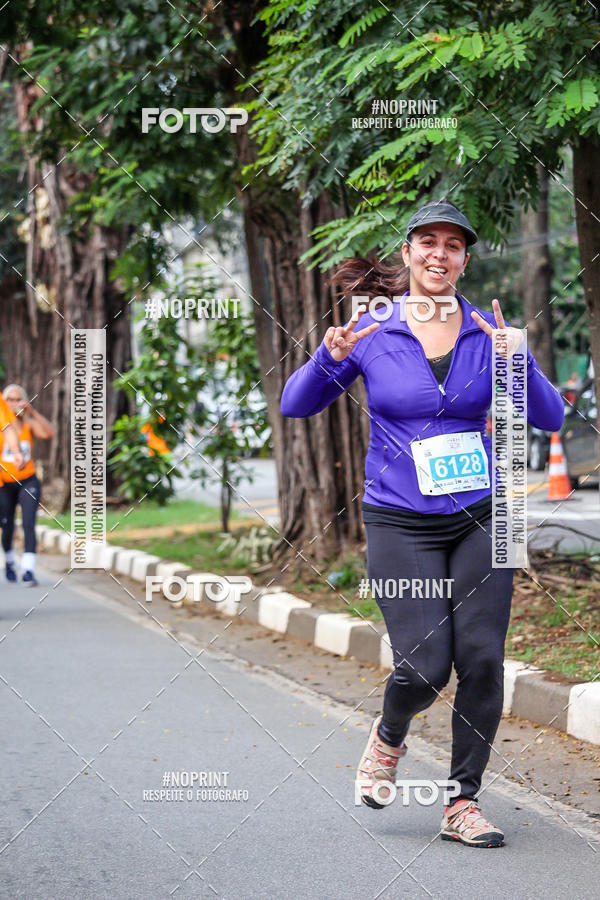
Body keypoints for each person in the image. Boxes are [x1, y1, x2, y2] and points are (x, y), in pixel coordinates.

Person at [280, 199, 564, 848]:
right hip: (399, 521)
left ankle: (462, 802)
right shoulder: (372, 329)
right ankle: (389, 734)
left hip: (481, 518)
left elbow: (548, 420)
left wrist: (518, 357)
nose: (440, 253)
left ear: (465, 260)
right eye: (427, 242)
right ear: (406, 253)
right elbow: (296, 405)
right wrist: (327, 357)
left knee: (485, 659)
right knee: (425, 667)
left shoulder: (486, 332)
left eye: (454, 245)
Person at [0, 384, 55, 587]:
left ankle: (28, 570)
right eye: (10, 400)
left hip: (27, 480)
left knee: (28, 523)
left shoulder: (27, 424)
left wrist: (32, 412)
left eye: (18, 399)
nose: (14, 404)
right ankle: (9, 561)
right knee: (7, 526)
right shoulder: (3, 421)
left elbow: (49, 433)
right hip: (4, 483)